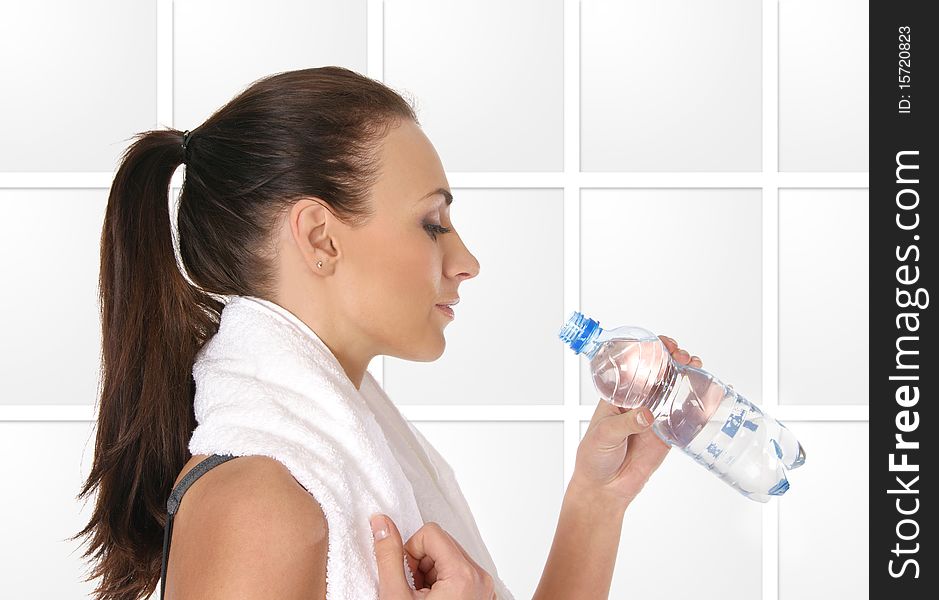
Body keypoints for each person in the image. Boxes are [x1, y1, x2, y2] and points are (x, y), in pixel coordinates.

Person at [70, 66, 704, 600]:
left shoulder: (343, 456)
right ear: (320, 237)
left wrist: (598, 500)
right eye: (432, 222)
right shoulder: (257, 507)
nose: (467, 262)